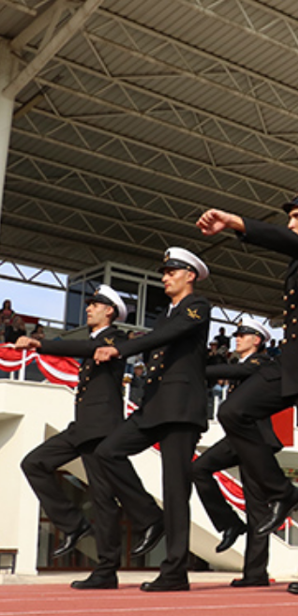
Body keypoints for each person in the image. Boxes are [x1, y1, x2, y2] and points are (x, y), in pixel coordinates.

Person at [198, 184, 298, 595]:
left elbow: (291, 244)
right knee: (233, 413)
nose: (290, 222)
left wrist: (238, 222)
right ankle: (280, 492)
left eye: (296, 215)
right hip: (289, 363)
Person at [92, 248, 212, 592]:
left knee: (175, 491)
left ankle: (174, 572)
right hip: (154, 407)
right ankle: (149, 517)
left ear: (190, 275)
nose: (165, 277)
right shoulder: (166, 315)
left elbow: (167, 337)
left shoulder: (197, 306)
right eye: (164, 272)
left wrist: (121, 349)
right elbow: (158, 339)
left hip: (180, 409)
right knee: (107, 452)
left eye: (171, 272)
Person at [16, 286, 129, 590]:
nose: (89, 308)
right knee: (34, 463)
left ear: (110, 311)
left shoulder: (114, 338)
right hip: (82, 426)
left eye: (95, 304)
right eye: (89, 303)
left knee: (103, 498)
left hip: (102, 428)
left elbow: (82, 349)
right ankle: (74, 525)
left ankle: (106, 570)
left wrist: (38, 344)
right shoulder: (95, 341)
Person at [192, 318, 278, 587]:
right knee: (199, 468)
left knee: (257, 508)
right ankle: (229, 523)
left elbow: (240, 374)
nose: (237, 338)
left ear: (258, 340)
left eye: (244, 335)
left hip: (256, 440)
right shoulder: (240, 365)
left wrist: (197, 370)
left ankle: (255, 573)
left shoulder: (261, 363)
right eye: (237, 334)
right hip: (239, 438)